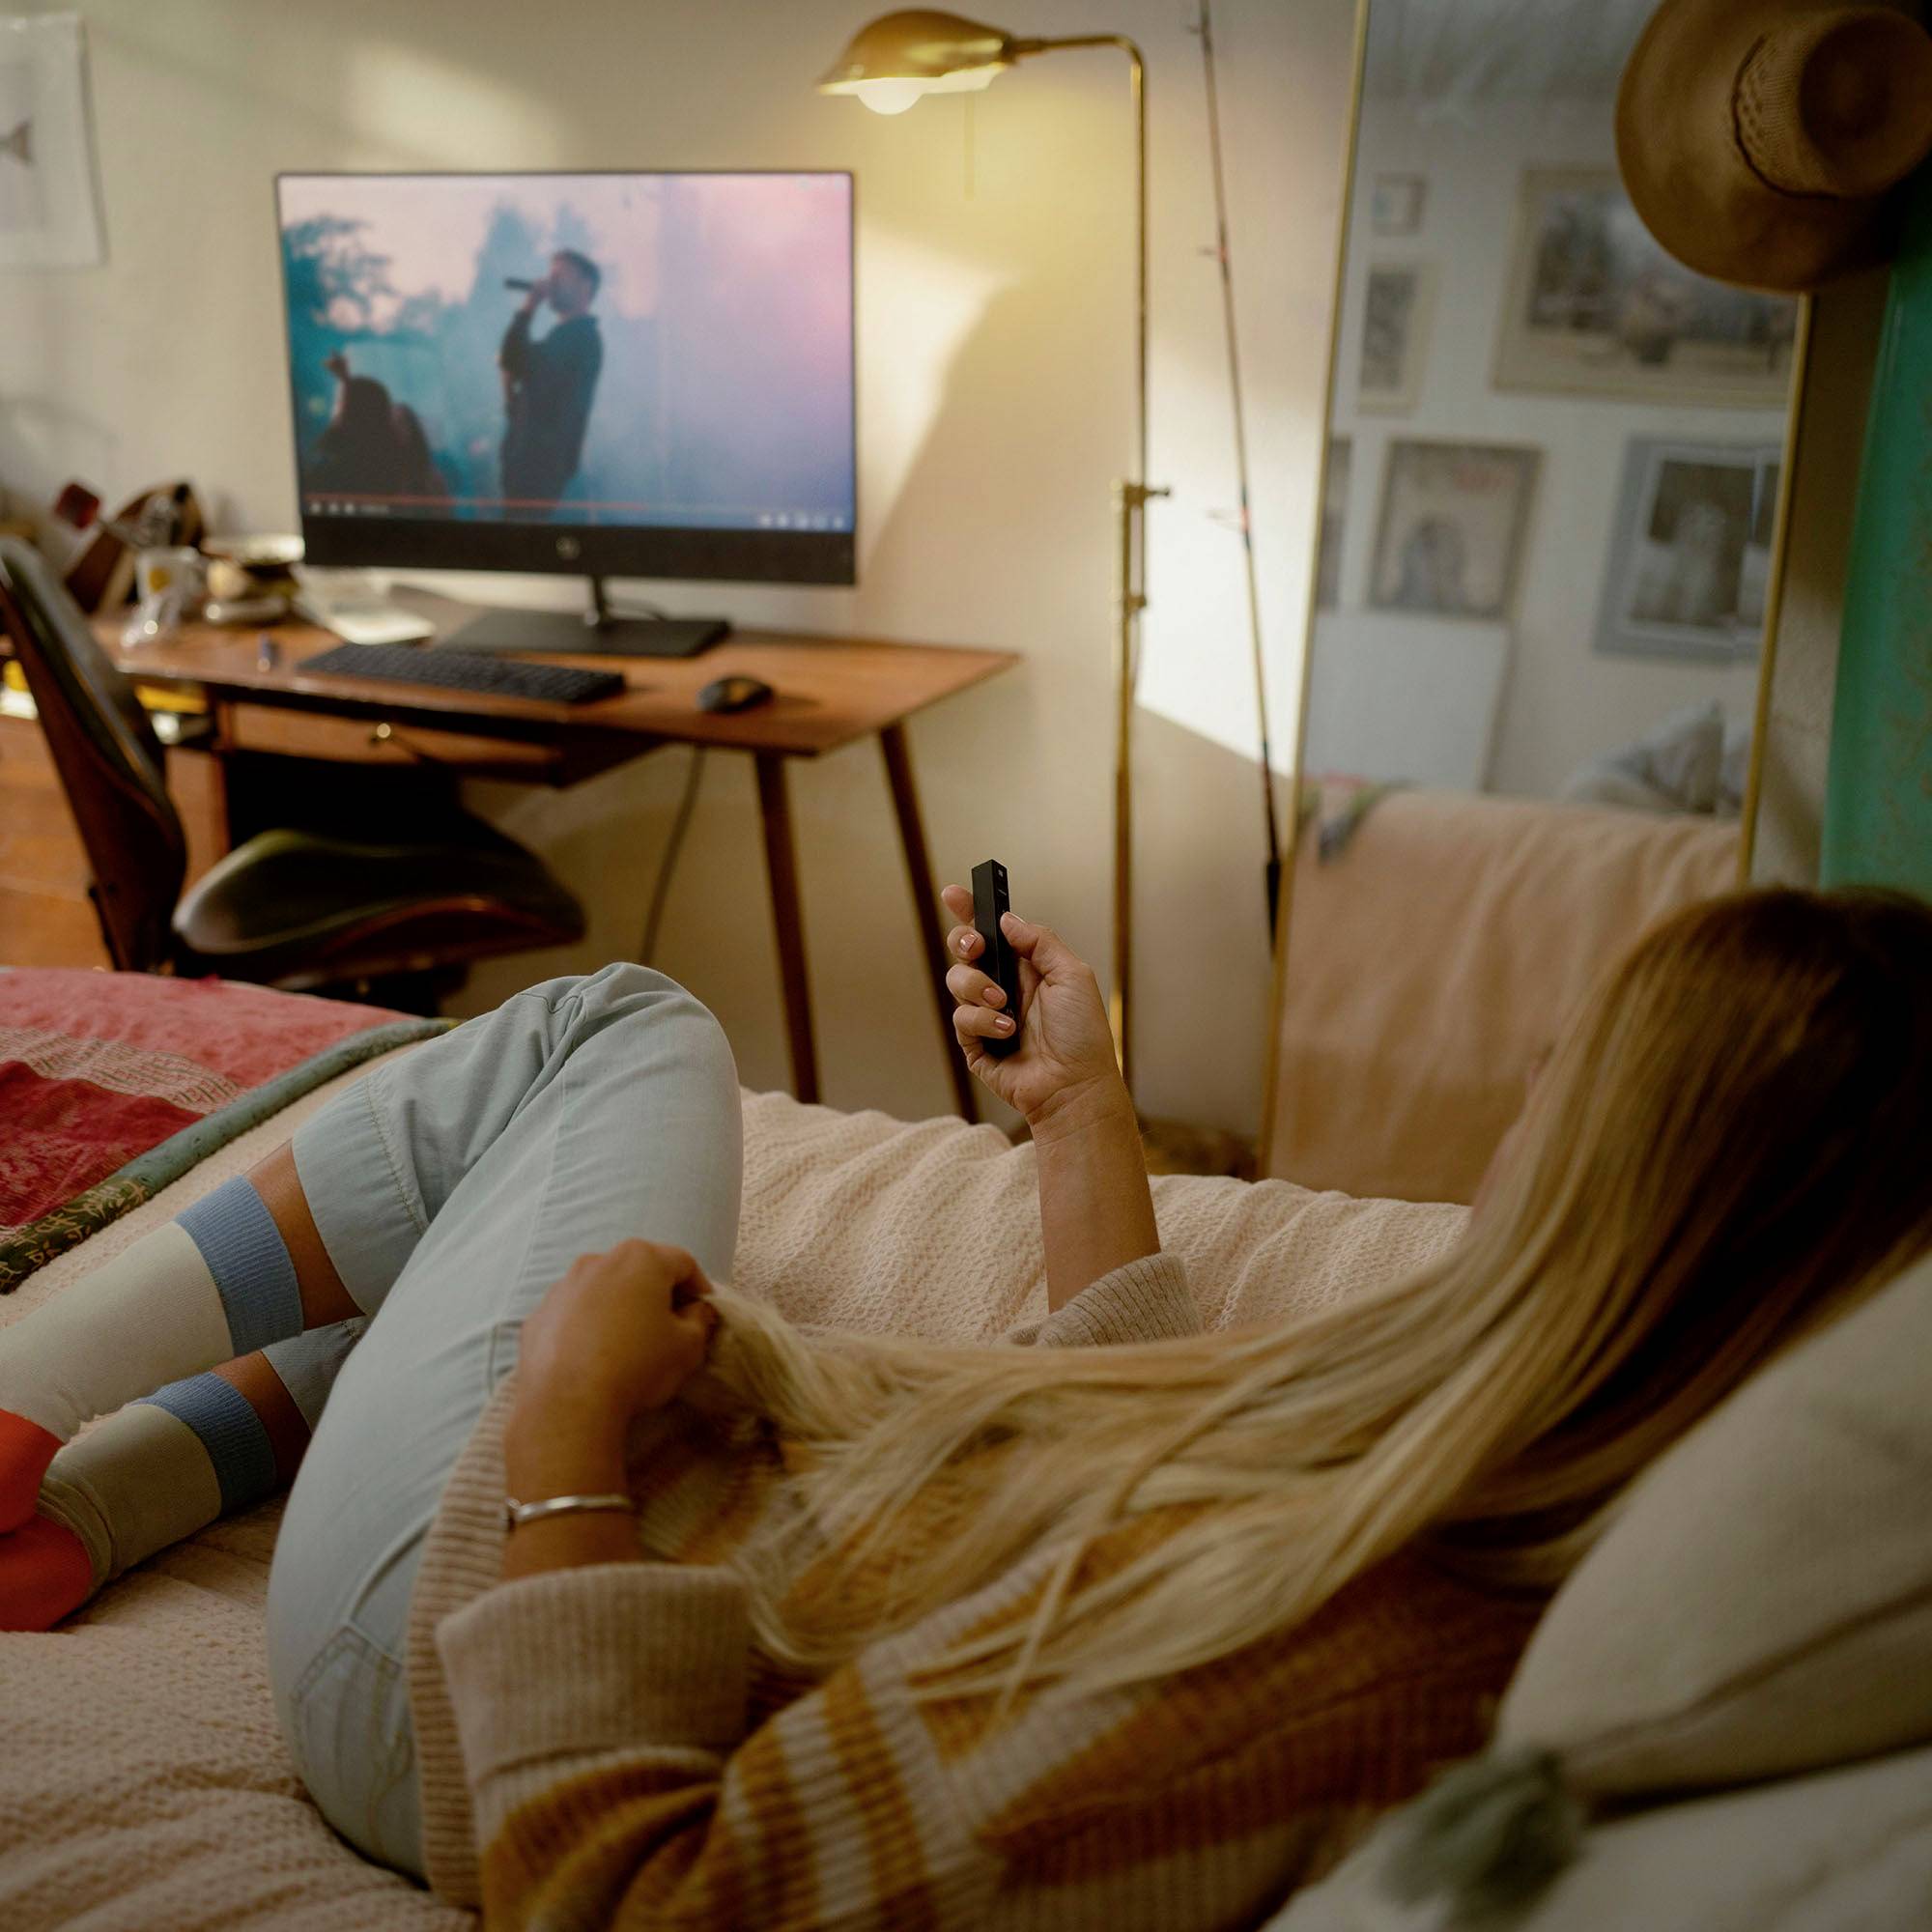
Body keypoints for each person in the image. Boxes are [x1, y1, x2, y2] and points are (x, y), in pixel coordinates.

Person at [1, 886, 1929, 1928]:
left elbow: (631, 1900)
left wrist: (570, 1445)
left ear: (1643, 1198)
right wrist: (1082, 1109)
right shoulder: (1468, 1473)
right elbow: (1123, 1480)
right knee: (474, 1249)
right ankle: (100, 1502)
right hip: (541, 1544)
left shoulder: (1341, 1681)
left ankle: (21, 1397)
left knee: (619, 1028)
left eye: (1562, 1091)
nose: (1517, 1112)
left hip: (455, 1645)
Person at [498, 248, 604, 515]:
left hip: (539, 467)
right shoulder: (560, 338)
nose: (550, 282)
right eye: (550, 275)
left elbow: (513, 359)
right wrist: (510, 393)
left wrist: (530, 305)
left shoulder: (581, 338)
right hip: (527, 466)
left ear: (585, 286)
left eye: (560, 275)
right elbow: (513, 363)